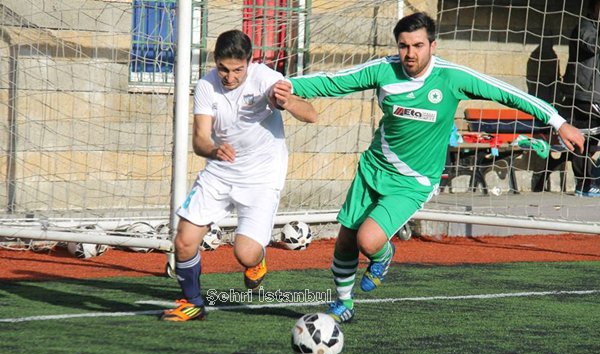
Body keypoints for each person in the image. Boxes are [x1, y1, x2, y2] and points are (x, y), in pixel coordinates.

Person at [273, 12, 585, 323]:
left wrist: (559, 123)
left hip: (414, 182)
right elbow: (334, 82)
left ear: (432, 46)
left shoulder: (452, 78)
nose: (410, 53)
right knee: (345, 238)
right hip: (374, 168)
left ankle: (382, 255)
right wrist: (283, 85)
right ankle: (343, 303)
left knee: (367, 241)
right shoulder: (384, 70)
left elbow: (508, 93)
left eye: (418, 45)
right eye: (404, 46)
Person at [161, 30, 317, 322]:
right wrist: (214, 150)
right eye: (223, 69)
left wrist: (288, 102)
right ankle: (193, 302)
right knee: (183, 240)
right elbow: (200, 141)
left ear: (249, 61)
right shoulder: (207, 86)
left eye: (237, 70)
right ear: (215, 62)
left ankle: (257, 263)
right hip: (220, 171)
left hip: (262, 175)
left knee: (244, 253)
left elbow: (311, 115)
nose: (229, 77)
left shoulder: (265, 78)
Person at [559, 0, 600, 197]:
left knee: (590, 141)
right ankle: (584, 184)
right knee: (582, 138)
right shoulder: (584, 27)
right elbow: (592, 45)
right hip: (584, 94)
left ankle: (589, 181)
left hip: (596, 94)